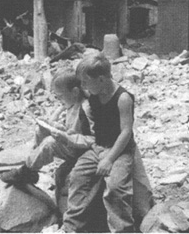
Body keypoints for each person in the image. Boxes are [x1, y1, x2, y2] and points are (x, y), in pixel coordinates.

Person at [60, 53, 143, 233]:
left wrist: (109, 159)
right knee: (77, 177)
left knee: (115, 187)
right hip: (98, 146)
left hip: (120, 150)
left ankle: (123, 230)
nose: (83, 86)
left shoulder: (123, 98)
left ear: (101, 79)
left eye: (85, 82)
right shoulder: (93, 92)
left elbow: (126, 132)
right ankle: (72, 227)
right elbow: (72, 97)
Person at [0, 68, 94, 186]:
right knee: (40, 131)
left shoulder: (86, 108)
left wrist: (67, 137)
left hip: (80, 150)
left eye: (60, 96)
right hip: (71, 141)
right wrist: (55, 126)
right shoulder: (71, 103)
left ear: (75, 92)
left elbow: (93, 140)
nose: (59, 100)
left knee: (50, 143)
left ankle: (26, 171)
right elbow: (72, 128)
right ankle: (33, 169)